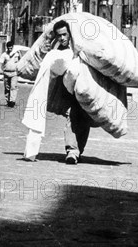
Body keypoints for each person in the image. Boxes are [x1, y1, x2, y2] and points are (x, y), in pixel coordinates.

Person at [53, 19, 93, 165]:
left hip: (84, 88)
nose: (62, 38)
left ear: (70, 34)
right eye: (59, 36)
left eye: (64, 35)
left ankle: (77, 150)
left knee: (84, 120)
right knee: (73, 118)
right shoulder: (57, 49)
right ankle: (72, 150)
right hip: (68, 92)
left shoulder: (79, 47)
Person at [0, 41, 20, 107]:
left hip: (14, 73)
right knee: (7, 87)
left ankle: (12, 101)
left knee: (13, 86)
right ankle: (8, 100)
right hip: (6, 73)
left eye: (11, 48)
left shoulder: (17, 54)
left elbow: (21, 61)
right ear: (7, 48)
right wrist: (0, 69)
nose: (10, 49)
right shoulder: (4, 54)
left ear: (13, 47)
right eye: (9, 48)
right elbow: (0, 62)